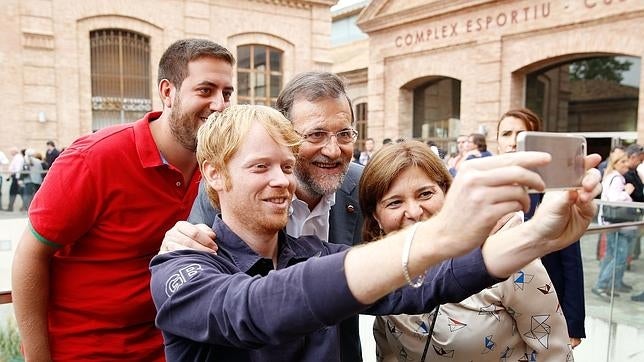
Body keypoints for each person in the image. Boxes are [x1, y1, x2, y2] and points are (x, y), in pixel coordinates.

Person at [150, 104, 601, 361]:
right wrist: (440, 233)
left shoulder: (312, 252)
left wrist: (538, 236)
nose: (282, 180)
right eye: (260, 166)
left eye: (288, 166)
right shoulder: (184, 267)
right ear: (214, 174)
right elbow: (255, 308)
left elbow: (425, 284)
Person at [11, 38, 235, 361]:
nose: (219, 104)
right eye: (205, 90)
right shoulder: (94, 159)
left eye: (227, 93)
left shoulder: (218, 167)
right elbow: (30, 254)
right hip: (85, 351)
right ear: (168, 92)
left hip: (173, 348)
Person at [176, 71, 365, 361]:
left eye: (344, 134)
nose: (333, 149)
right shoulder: (227, 190)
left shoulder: (364, 186)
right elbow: (194, 270)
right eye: (316, 134)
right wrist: (177, 244)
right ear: (283, 134)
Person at [362, 141, 572, 361]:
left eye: (425, 194)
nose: (414, 211)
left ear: (448, 194)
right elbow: (387, 351)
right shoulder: (380, 269)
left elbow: (554, 352)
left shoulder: (503, 252)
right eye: (395, 202)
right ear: (376, 216)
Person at [496, 107, 587, 347]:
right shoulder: (486, 187)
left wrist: (573, 323)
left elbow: (571, 261)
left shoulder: (553, 190)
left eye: (522, 134)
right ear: (496, 140)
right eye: (506, 133)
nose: (513, 141)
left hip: (545, 304)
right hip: (495, 307)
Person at [592, 148, 637, 301]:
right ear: (616, 163)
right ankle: (602, 284)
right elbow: (614, 199)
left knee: (612, 255)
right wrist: (627, 192)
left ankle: (612, 283)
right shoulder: (616, 178)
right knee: (619, 256)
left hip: (612, 222)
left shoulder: (612, 176)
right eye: (623, 161)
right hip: (616, 223)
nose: (627, 165)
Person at [6, 147, 24, 212]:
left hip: (16, 178)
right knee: (16, 192)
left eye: (11, 151)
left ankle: (10, 207)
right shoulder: (16, 157)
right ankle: (11, 207)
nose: (10, 153)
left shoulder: (18, 158)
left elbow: (17, 168)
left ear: (14, 151)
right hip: (15, 177)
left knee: (14, 192)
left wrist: (17, 178)